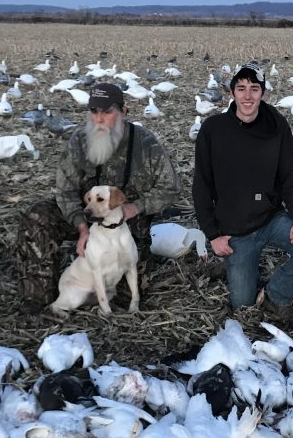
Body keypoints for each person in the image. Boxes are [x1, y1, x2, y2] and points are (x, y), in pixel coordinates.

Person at [15, 82, 181, 312]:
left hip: (125, 222)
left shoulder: (145, 144)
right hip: (85, 215)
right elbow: (65, 191)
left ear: (123, 112)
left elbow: (171, 187)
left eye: (107, 111)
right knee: (37, 216)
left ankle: (116, 292)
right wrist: (81, 227)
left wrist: (136, 207)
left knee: (130, 296)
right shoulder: (78, 142)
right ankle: (39, 295)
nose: (99, 119)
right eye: (94, 111)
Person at [193, 62, 293, 326]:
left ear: (263, 93)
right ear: (232, 93)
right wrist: (214, 235)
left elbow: (290, 176)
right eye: (241, 89)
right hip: (235, 230)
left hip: (270, 219)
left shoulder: (277, 126)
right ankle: (237, 269)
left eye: (254, 89)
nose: (248, 96)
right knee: (243, 305)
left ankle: (276, 295)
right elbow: (202, 185)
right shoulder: (213, 129)